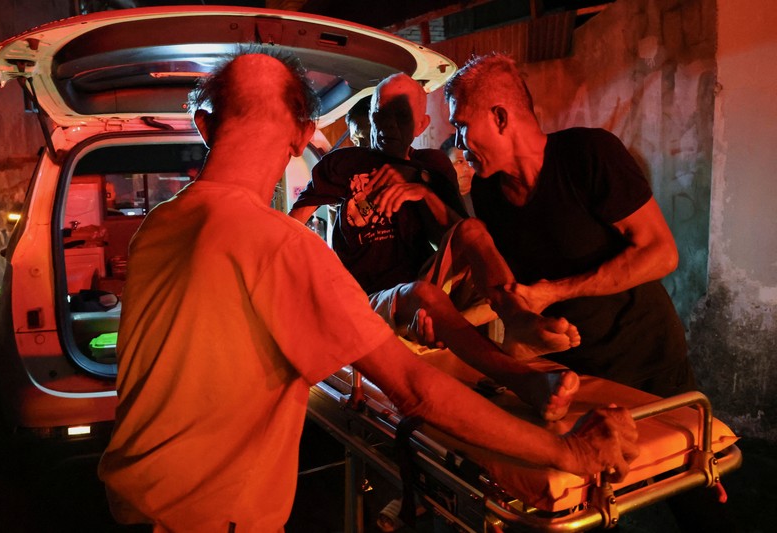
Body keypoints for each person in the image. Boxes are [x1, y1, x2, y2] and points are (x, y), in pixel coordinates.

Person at [97, 48, 638, 532]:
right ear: (304, 135)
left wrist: (419, 196)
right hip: (210, 519)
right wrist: (568, 450)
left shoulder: (157, 226)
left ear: (204, 125)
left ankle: (518, 341)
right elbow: (414, 390)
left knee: (440, 275)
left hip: (129, 503)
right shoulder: (283, 240)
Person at [290, 73, 581, 419]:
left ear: (421, 124)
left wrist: (423, 191)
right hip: (369, 303)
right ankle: (525, 382)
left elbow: (459, 236)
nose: (388, 126)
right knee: (423, 295)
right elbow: (293, 224)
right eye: (380, 114)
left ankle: (518, 320)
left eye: (401, 117)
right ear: (369, 116)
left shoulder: (431, 166)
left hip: (425, 283)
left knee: (474, 231)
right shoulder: (344, 164)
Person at [444, 52, 696, 398]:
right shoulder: (488, 191)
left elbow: (661, 253)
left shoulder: (588, 154)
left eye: (461, 126)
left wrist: (555, 291)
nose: (458, 143)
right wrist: (448, 323)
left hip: (647, 363)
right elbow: (517, 290)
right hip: (571, 371)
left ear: (500, 117)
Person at [441, 134, 475, 216]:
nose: (466, 168)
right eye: (460, 161)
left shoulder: (485, 198)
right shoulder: (438, 199)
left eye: (470, 161)